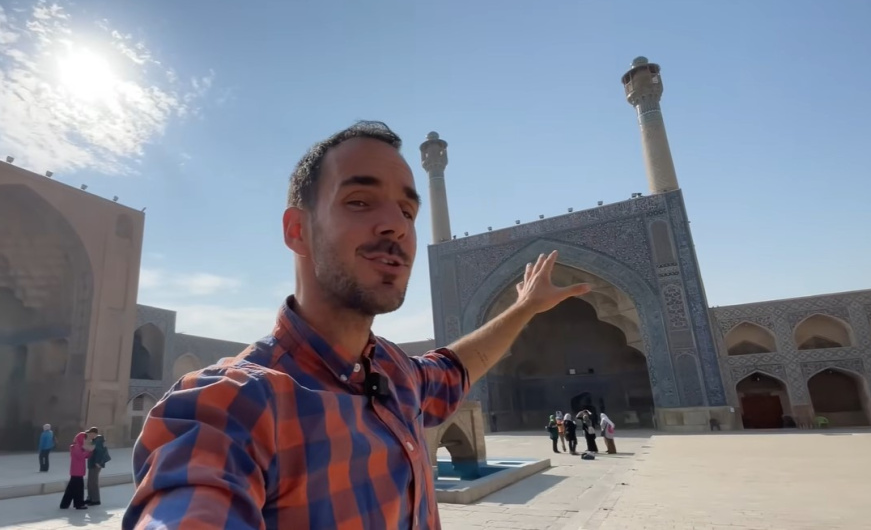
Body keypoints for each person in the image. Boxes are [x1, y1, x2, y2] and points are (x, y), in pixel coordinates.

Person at [122, 121, 591, 530]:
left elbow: (457, 367)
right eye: (361, 201)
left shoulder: (397, 375)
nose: (397, 226)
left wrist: (525, 307)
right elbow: (192, 501)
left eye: (407, 211)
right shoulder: (235, 405)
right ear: (297, 231)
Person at [60, 430, 95, 510]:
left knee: (71, 488)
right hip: (77, 471)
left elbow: (86, 456)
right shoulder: (76, 447)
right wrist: (88, 450)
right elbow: (81, 456)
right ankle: (79, 504)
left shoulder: (80, 447)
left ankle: (65, 504)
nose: (86, 441)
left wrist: (90, 452)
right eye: (85, 439)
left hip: (78, 471)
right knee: (78, 489)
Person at [85, 427, 111, 506]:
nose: (89, 435)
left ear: (94, 433)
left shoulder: (98, 440)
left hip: (95, 464)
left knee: (93, 482)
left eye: (90, 433)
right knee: (90, 482)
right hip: (92, 463)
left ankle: (95, 500)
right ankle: (90, 498)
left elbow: (99, 452)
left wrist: (97, 462)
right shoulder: (95, 440)